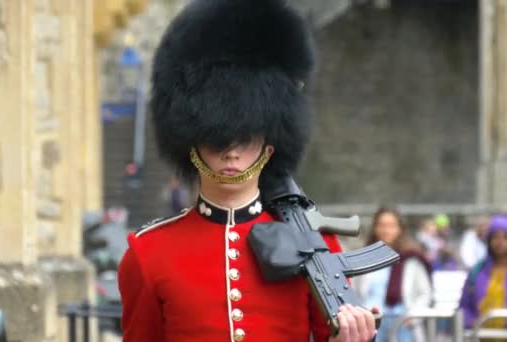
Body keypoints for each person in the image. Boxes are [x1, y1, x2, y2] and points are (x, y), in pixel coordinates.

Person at [117, 0, 378, 341]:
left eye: (245, 138)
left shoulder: (313, 242)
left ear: (270, 144)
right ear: (191, 142)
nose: (231, 152)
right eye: (216, 139)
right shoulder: (148, 253)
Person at [355, 207, 432, 342]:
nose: (386, 230)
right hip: (371, 321)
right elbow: (354, 291)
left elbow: (425, 293)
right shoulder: (364, 259)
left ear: (400, 229)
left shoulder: (412, 259)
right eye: (382, 225)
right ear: (375, 228)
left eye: (391, 225)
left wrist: (413, 318)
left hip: (402, 321)